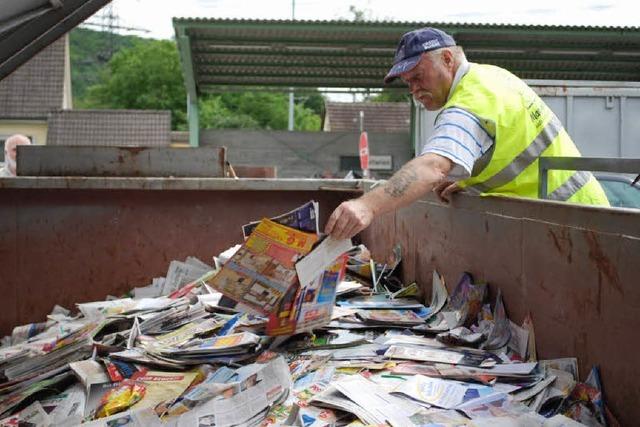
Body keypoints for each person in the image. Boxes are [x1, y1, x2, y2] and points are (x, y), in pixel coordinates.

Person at [325, 27, 609, 240]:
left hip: (575, 225)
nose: (413, 90)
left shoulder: (468, 103)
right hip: (583, 214)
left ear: (447, 59)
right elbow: (515, 153)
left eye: (418, 77)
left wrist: (367, 206)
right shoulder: (491, 76)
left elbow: (432, 167)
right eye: (407, 83)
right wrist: (474, 181)